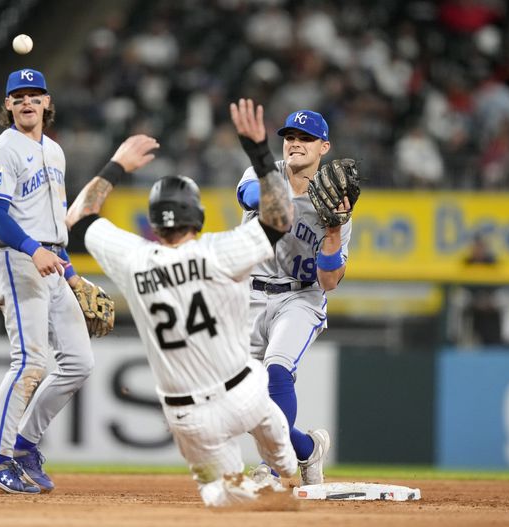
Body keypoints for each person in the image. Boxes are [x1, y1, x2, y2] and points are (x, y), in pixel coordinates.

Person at [65, 99, 298, 507]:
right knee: (281, 451)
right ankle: (287, 472)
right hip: (244, 395)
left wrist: (116, 165)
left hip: (187, 418)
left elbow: (78, 216)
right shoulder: (220, 252)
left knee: (220, 493)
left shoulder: (134, 259)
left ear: (154, 222)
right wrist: (260, 152)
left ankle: (241, 492)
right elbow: (281, 218)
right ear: (198, 215)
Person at [0, 68, 99, 494]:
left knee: (79, 363)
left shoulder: (55, 151)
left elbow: (53, 226)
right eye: (19, 96)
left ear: (47, 103)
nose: (27, 101)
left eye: (34, 95)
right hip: (18, 259)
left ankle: (24, 445)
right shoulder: (1, 151)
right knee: (29, 362)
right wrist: (33, 250)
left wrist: (72, 273)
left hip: (52, 261)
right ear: (7, 105)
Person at [235, 109, 353, 486]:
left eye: (305, 138)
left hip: (300, 298)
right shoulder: (264, 173)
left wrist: (332, 232)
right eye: (290, 137)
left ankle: (271, 470)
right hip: (251, 295)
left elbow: (329, 281)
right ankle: (306, 448)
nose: (295, 144)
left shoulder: (336, 207)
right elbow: (248, 195)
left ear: (324, 147)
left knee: (277, 370)